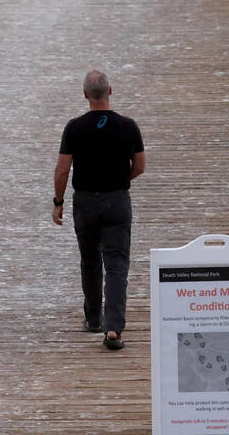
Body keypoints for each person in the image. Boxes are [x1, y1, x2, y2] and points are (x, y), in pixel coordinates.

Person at [52, 70, 145, 350]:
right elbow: (139, 166)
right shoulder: (129, 126)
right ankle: (114, 327)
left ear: (85, 95)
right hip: (116, 200)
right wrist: (118, 179)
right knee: (116, 265)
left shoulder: (74, 127)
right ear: (110, 91)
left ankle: (93, 318)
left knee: (90, 259)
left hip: (85, 201)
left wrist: (58, 202)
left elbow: (62, 169)